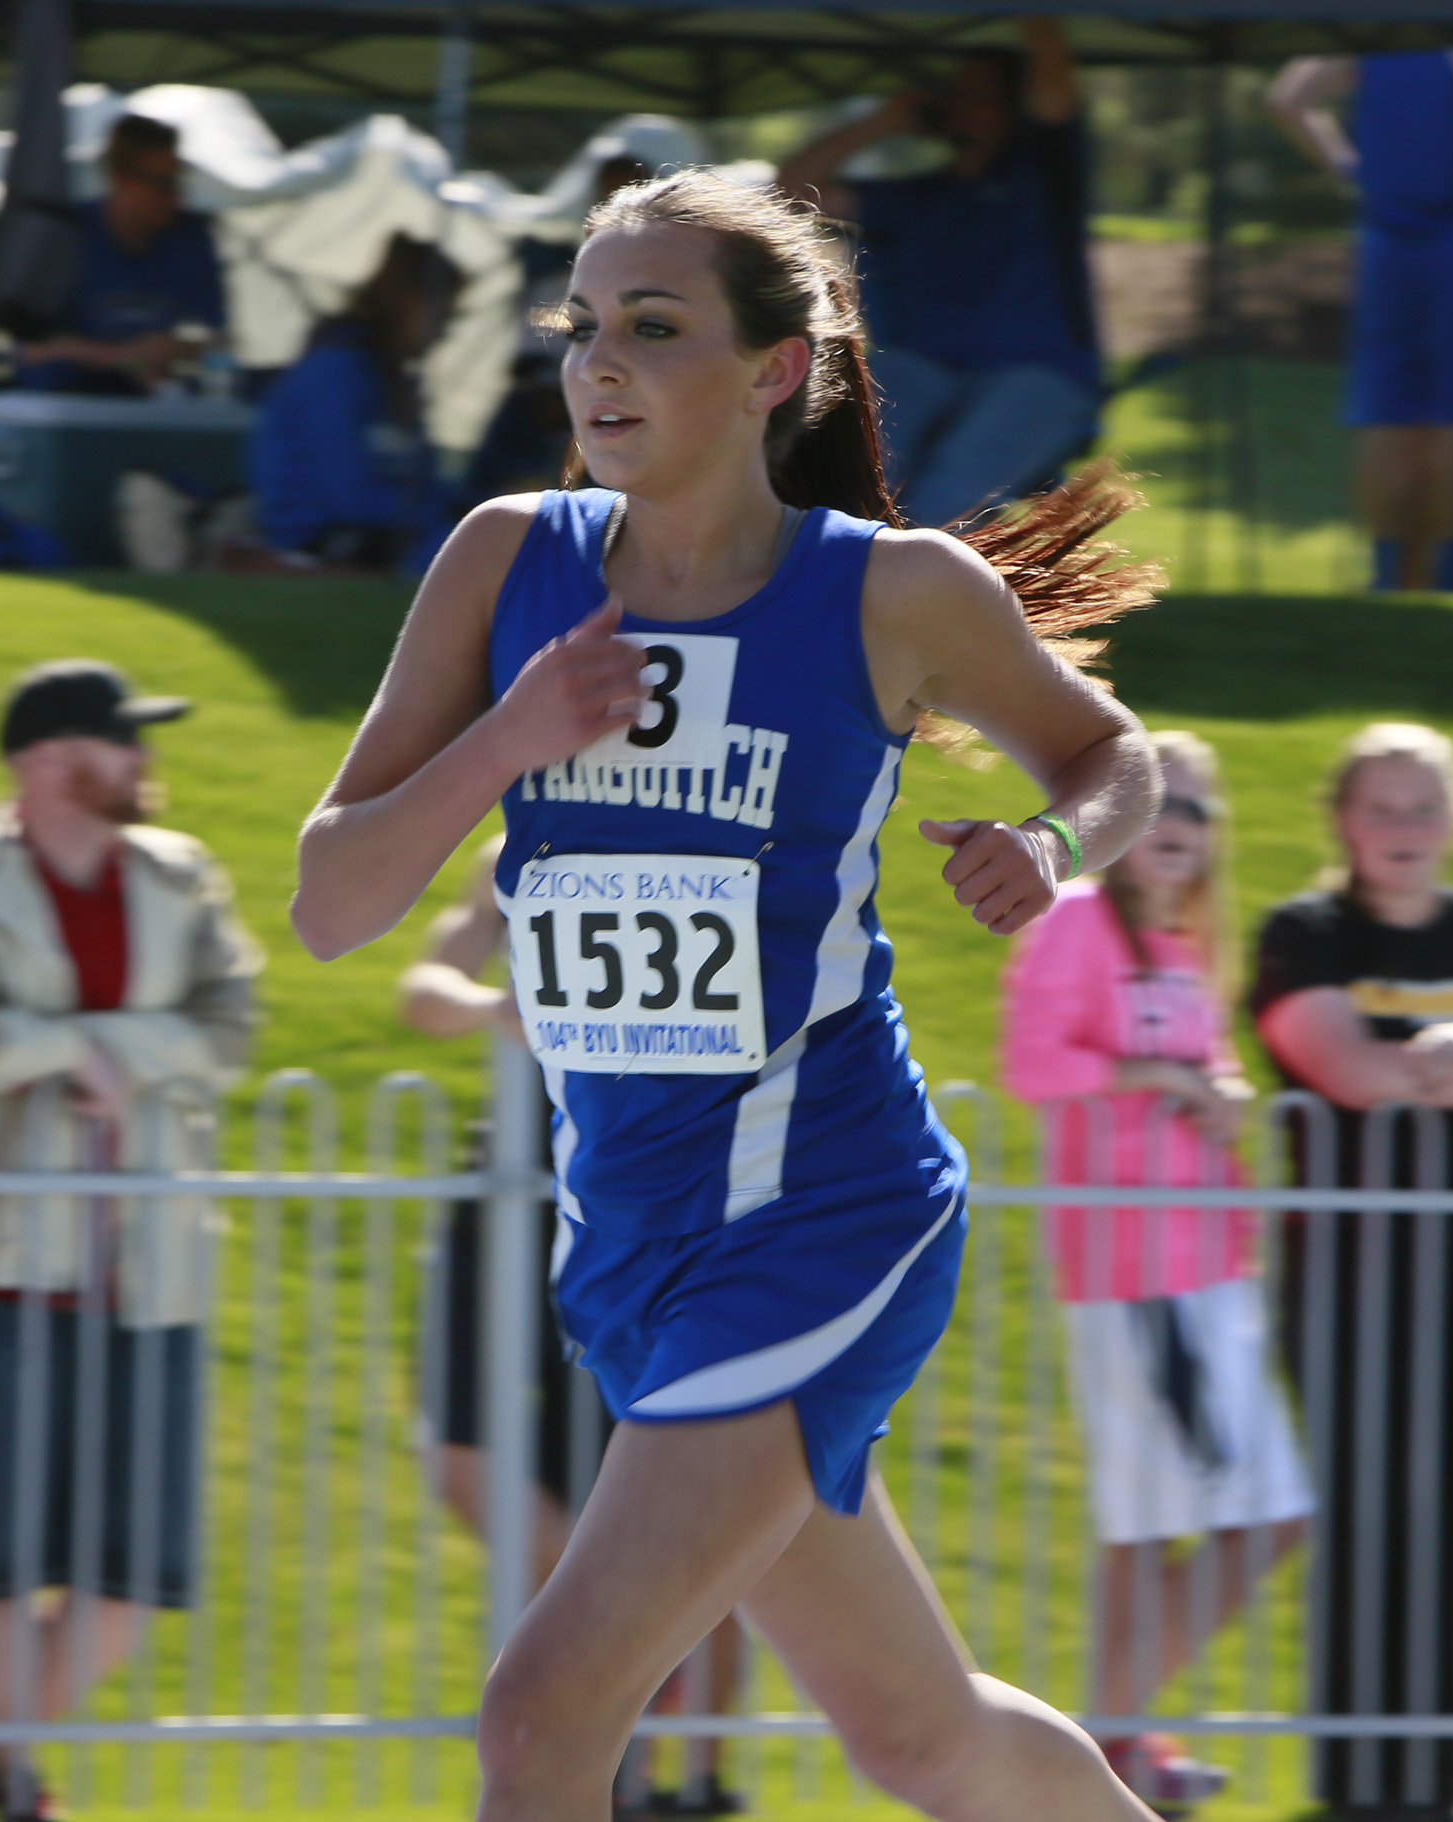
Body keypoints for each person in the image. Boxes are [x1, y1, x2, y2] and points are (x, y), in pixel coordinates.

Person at [292, 166, 1167, 1822]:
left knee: (544, 1713)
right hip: (629, 1239)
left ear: (776, 371)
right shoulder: (506, 564)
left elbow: (1105, 753)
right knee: (922, 1737)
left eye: (654, 326)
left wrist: (1054, 848)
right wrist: (511, 739)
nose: (599, 363)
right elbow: (334, 902)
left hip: (821, 1210)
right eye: (582, 327)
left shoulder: (891, 591)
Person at [0, 660, 263, 1822]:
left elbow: (230, 1027)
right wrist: (65, 1056)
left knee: (137, 1574)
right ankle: (9, 1787)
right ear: (49, 762)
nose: (144, 762)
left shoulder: (180, 874)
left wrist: (96, 1045)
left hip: (147, 1266)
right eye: (121, 743)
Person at [1250, 721, 1453, 1822]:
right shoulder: (1307, 931)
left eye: (1423, 807)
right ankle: (1357, 1788)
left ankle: (1441, 1786)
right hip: (1350, 1284)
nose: (1403, 830)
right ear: (1344, 819)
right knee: (1370, 1519)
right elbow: (1339, 1065)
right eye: (1382, 808)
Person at [998, 730, 1308, 1818]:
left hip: (1200, 1271)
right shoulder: (1079, 920)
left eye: (1199, 810)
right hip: (1140, 1273)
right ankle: (1096, 1734)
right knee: (1266, 1519)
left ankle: (1117, 1747)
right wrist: (1162, 1074)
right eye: (1161, 802)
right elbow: (1032, 1064)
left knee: (1140, 1530)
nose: (1178, 824)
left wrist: (1216, 1090)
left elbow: (1189, 1072)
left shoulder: (1181, 945)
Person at [401, 837, 746, 1817]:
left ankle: (680, 1765)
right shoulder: (520, 848)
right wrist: (488, 1007)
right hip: (506, 1188)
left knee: (633, 1486)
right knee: (458, 1450)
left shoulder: (700, 851)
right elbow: (425, 984)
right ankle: (628, 1645)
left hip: (633, 1207)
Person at [775, 17, 1100, 530]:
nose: (962, 101)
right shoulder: (909, 197)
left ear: (1016, 107)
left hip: (1035, 373)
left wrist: (1040, 35)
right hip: (920, 369)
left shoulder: (1047, 175)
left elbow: (1049, 66)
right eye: (957, 91)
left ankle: (914, 595)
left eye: (980, 93)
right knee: (839, 490)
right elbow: (792, 189)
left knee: (943, 510)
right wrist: (881, 121)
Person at [1268, 47, 1453, 593]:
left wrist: (1352, 168)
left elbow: (1287, 99)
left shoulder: (1376, 26)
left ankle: (1390, 578)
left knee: (1386, 414)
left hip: (1387, 237)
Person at [238, 233, 462, 577]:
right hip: (324, 545)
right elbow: (346, 497)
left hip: (390, 538)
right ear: (410, 302)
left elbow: (423, 484)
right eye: (444, 312)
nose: (446, 329)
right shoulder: (334, 373)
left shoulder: (395, 381)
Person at [15, 114, 228, 397]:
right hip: (68, 410)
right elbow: (33, 349)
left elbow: (220, 342)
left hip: (162, 412)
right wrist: (130, 358)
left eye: (178, 183)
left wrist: (180, 350)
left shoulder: (191, 238)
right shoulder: (67, 236)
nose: (176, 198)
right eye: (163, 184)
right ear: (120, 179)